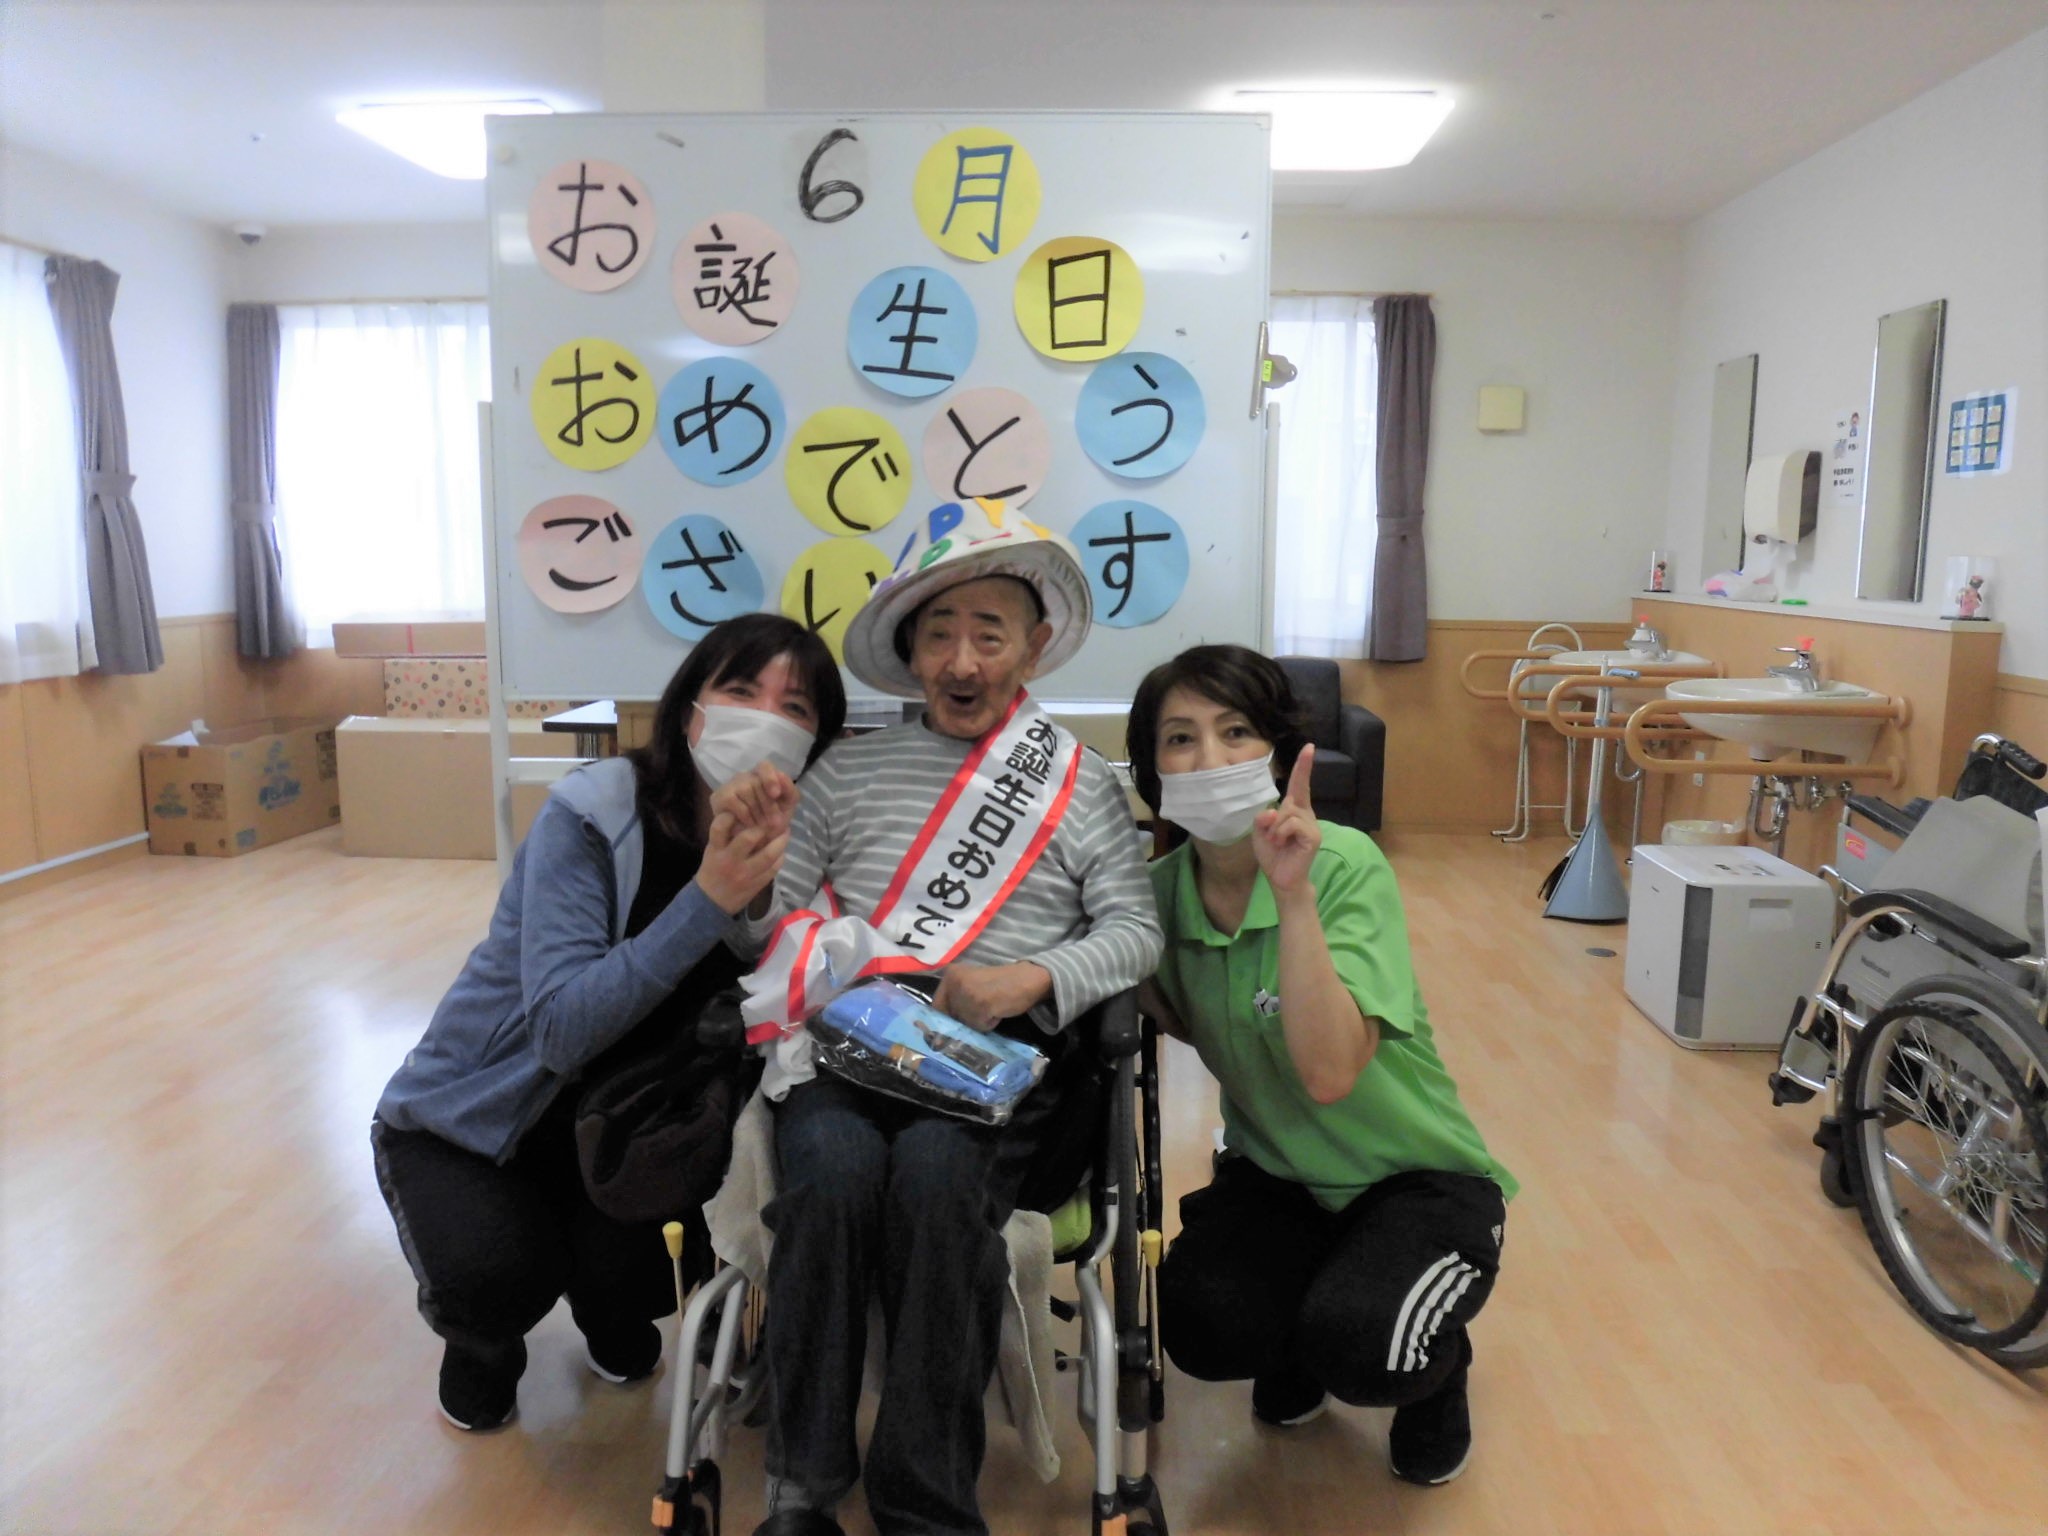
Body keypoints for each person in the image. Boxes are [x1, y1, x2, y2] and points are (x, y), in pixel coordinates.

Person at [719, 499, 1163, 1536]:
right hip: (848, 1049)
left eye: (989, 635)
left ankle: (924, 1500)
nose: (962, 661)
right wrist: (748, 876)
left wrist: (1032, 978)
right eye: (939, 635)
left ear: (1033, 648)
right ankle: (802, 1485)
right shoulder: (844, 771)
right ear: (910, 651)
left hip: (997, 1061)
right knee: (830, 1178)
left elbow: (1136, 932)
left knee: (931, 1180)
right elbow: (767, 930)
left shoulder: (1078, 783)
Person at [371, 614, 846, 1433]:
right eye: (741, 690)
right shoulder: (594, 814)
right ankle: (481, 1342)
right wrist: (709, 896)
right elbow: (561, 1030)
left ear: (815, 744)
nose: (765, 718)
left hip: (631, 1121)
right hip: (482, 1122)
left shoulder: (797, 842)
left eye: (795, 707)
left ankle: (606, 1303)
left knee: (656, 1273)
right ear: (690, 709)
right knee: (496, 1279)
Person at [1126, 644, 1517, 1488]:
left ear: (1275, 750)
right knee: (1199, 1327)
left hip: (1415, 1180)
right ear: (1152, 770)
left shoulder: (1341, 865)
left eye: (1236, 731)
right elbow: (1175, 1017)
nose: (1211, 758)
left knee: (1370, 1348)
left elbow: (1332, 1073)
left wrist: (1291, 894)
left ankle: (1440, 1372)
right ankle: (1306, 1326)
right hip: (1277, 1176)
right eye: (1180, 738)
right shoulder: (1154, 897)